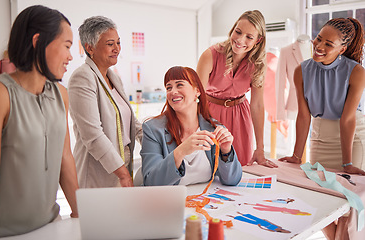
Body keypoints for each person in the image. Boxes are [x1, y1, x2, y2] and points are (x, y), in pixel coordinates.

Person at [0, 5, 78, 237]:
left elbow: (65, 159)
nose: (71, 56)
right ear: (38, 40)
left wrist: (83, 216)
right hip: (5, 233)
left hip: (50, 226)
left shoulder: (61, 94)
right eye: (67, 46)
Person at [278, 18, 365, 240]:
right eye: (318, 39)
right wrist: (297, 155)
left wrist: (348, 164)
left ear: (342, 49)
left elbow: (347, 120)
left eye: (328, 44)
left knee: (348, 205)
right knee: (318, 200)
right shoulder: (302, 70)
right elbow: (304, 115)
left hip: (352, 138)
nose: (319, 46)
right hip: (319, 137)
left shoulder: (356, 72)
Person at [68, 16, 142, 188]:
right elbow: (93, 136)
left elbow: (132, 122)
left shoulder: (113, 76)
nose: (117, 48)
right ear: (89, 47)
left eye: (118, 42)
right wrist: (123, 174)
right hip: (99, 174)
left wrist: (158, 142)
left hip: (122, 167)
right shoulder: (82, 77)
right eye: (110, 44)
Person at [196, 10, 277, 168]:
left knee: (240, 168)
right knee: (210, 168)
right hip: (210, 115)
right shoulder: (210, 55)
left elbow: (258, 105)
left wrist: (260, 149)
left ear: (258, 41)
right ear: (232, 29)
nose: (240, 40)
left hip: (240, 117)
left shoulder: (258, 64)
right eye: (238, 32)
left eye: (249, 37)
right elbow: (195, 98)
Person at [141, 66, 242, 186]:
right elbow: (151, 182)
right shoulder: (153, 129)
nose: (173, 91)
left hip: (205, 201)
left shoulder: (214, 128)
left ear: (197, 91)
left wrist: (226, 151)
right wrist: (180, 152)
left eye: (179, 85)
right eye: (169, 88)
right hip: (170, 202)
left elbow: (232, 180)